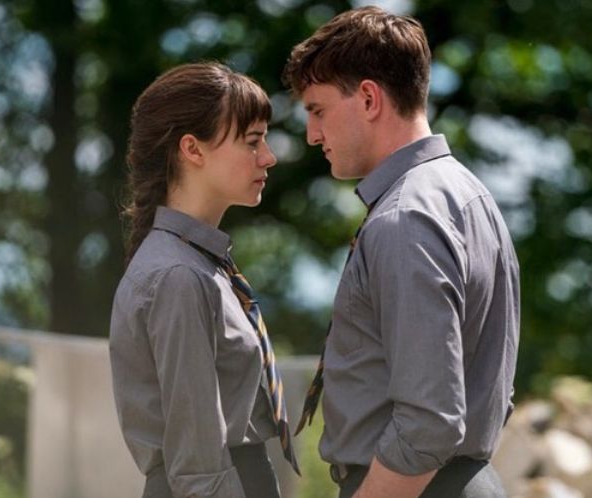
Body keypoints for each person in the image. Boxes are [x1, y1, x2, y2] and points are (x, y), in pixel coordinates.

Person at [283, 7, 520, 498]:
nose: (312, 135)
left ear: (368, 98)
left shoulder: (404, 217)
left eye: (317, 109)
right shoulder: (471, 197)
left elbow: (429, 423)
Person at [109, 62, 299, 498]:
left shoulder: (200, 265)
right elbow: (197, 468)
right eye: (253, 141)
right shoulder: (178, 275)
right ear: (192, 149)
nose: (269, 156)